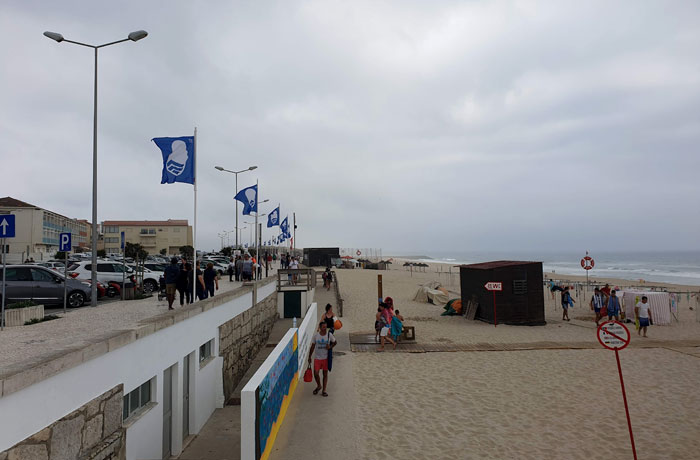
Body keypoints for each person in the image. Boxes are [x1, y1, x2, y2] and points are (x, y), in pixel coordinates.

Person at [308, 321, 336, 397]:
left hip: (326, 358)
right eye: (323, 327)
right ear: (320, 328)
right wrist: (309, 356)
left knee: (325, 374)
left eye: (325, 327)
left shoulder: (329, 335)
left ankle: (324, 390)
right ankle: (319, 385)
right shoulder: (316, 336)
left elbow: (335, 342)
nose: (325, 329)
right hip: (317, 358)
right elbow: (312, 346)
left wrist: (330, 347)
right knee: (316, 373)